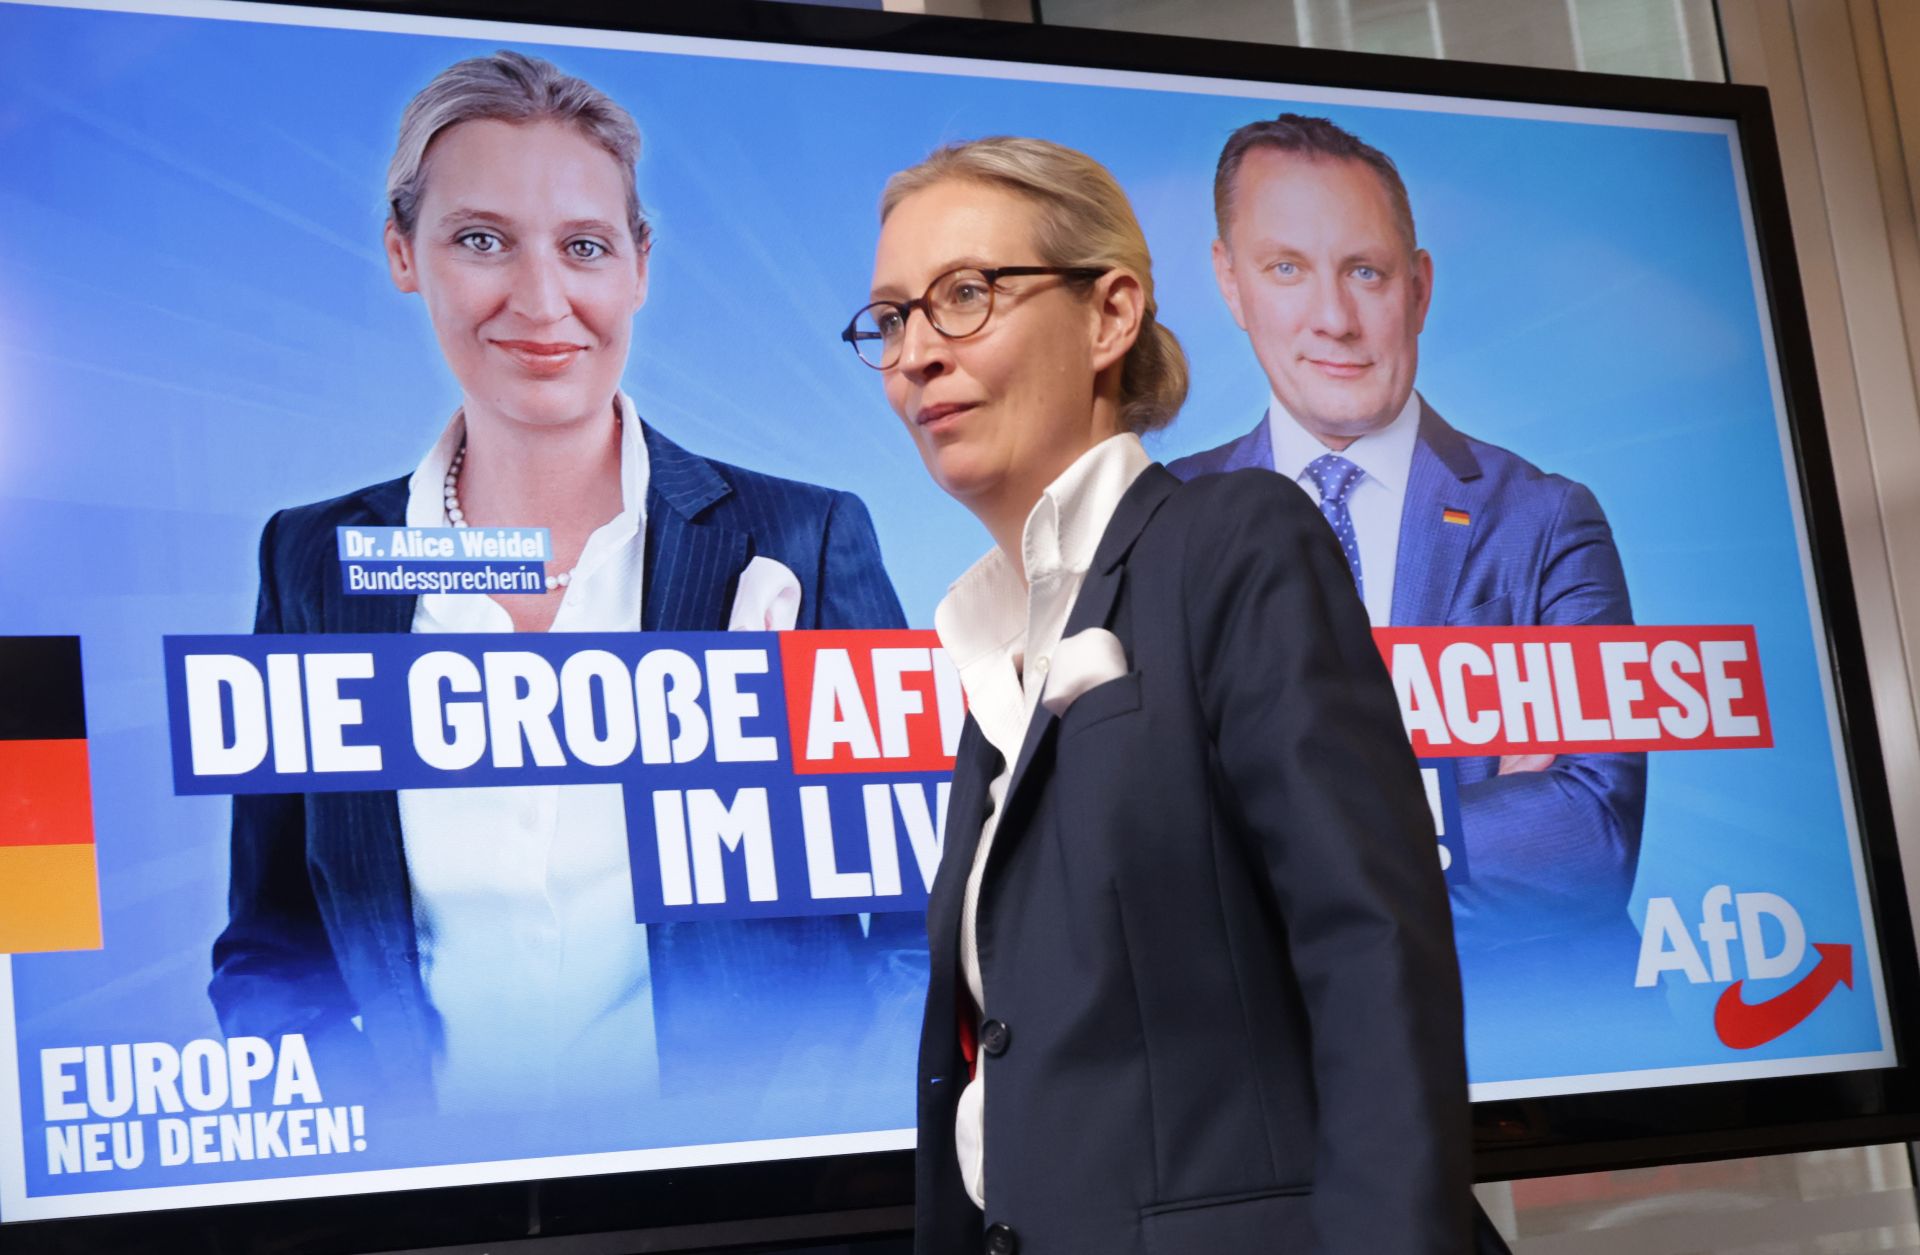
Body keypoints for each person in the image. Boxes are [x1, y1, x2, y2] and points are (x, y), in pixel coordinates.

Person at [209, 51, 908, 1118]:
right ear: (404, 252)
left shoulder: (802, 542)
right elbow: (272, 947)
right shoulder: (312, 564)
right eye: (481, 240)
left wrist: (820, 1141)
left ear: (638, 265)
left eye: (583, 246)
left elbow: (926, 926)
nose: (542, 301)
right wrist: (381, 1161)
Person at [850, 135, 1473, 1254]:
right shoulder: (997, 650)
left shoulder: (1234, 542)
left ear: (1112, 312)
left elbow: (1372, 951)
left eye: (966, 296)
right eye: (893, 318)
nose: (917, 354)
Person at [1169, 114, 1645, 959]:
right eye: (1286, 268)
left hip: (1523, 1052)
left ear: (1419, 288)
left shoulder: (1547, 521)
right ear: (1230, 282)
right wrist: (1453, 819)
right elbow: (1129, 848)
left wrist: (1268, 861)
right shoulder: (1162, 521)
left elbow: (1588, 841)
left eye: (1366, 271)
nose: (1334, 317)